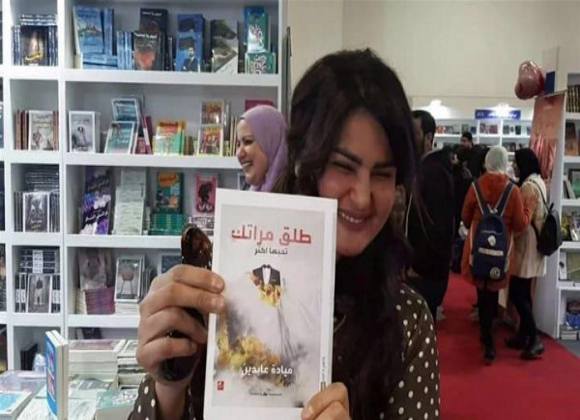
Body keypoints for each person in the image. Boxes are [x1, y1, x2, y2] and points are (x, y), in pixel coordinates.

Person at [130, 49, 440, 420]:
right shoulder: (220, 286)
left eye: (382, 174)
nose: (362, 196)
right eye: (343, 166)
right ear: (303, 162)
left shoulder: (405, 320)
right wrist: (168, 385)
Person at [461, 146, 531, 364]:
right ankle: (489, 339)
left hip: (476, 251)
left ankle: (485, 335)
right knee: (492, 292)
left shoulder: (475, 186)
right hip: (500, 253)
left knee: (481, 291)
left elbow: (465, 217)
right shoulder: (513, 191)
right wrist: (528, 213)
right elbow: (520, 224)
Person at [406, 110, 455, 321]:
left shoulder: (434, 174)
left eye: (414, 133)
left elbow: (439, 228)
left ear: (428, 137)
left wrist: (419, 266)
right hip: (422, 269)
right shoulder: (425, 169)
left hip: (426, 273)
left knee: (421, 327)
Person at [507, 148, 546, 359]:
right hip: (533, 244)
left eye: (516, 163)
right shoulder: (539, 181)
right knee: (523, 293)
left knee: (517, 293)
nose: (514, 166)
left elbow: (523, 220)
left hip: (527, 246)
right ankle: (524, 336)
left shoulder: (528, 187)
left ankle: (534, 337)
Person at [236, 105, 287, 192]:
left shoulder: (297, 195)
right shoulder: (253, 192)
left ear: (271, 143)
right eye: (238, 144)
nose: (239, 153)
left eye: (248, 141)